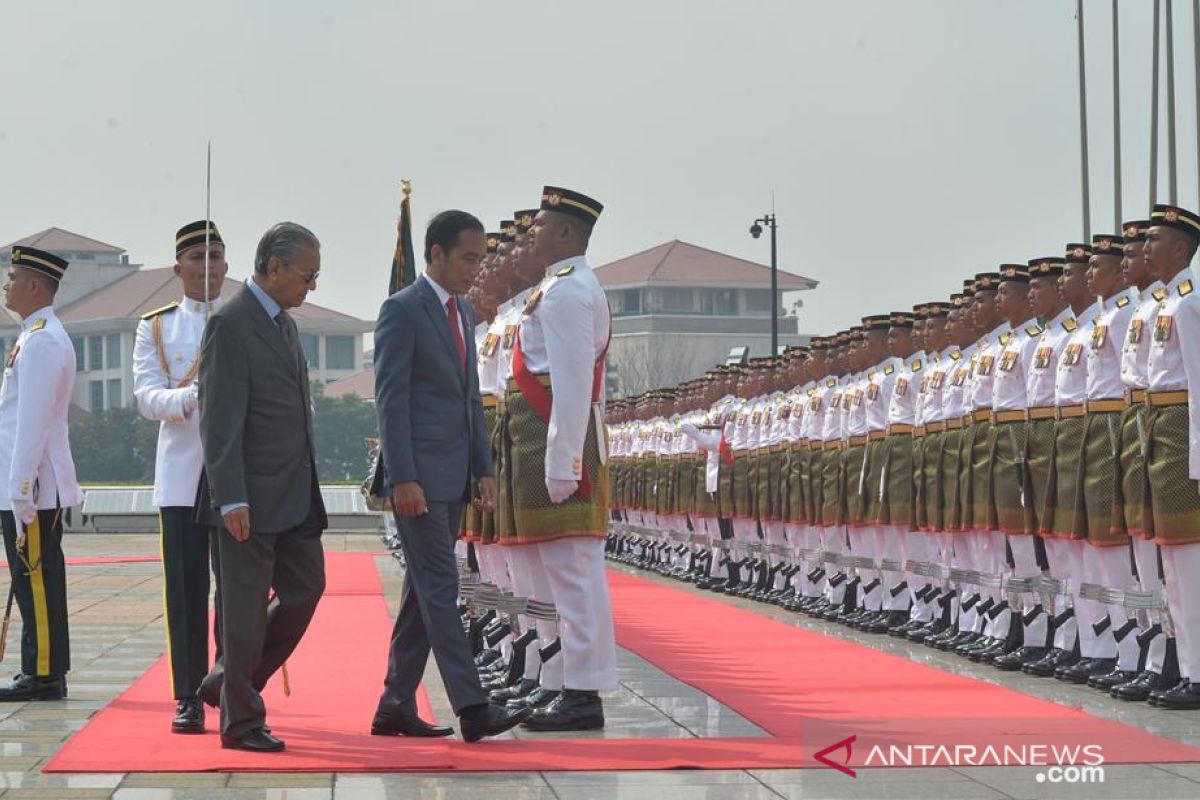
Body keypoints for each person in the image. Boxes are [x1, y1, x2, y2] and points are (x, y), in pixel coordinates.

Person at [372, 209, 531, 742]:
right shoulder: (402, 310)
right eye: (467, 258)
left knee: (423, 596)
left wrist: (481, 468)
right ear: (435, 254)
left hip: (454, 477)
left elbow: (468, 397)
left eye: (480, 259)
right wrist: (402, 477)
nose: (475, 270)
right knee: (441, 589)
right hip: (417, 480)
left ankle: (395, 703)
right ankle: (472, 706)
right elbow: (392, 402)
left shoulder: (461, 311)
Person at [195, 222, 328, 752]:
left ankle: (228, 681)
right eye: (307, 275)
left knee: (306, 589)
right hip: (246, 498)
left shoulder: (285, 324)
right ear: (274, 267)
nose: (311, 287)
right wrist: (231, 496)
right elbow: (219, 418)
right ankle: (242, 720)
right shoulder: (231, 323)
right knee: (244, 613)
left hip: (294, 494)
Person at [507, 186, 616, 731]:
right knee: (559, 574)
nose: (533, 235)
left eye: (542, 226)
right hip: (546, 441)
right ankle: (569, 684)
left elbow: (572, 387)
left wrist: (564, 465)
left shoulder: (569, 292)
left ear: (568, 234)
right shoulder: (554, 288)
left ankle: (584, 692)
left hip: (560, 444)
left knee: (574, 574)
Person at [133, 220, 228, 733]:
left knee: (234, 588)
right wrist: (192, 397)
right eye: (198, 258)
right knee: (185, 589)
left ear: (228, 266)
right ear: (178, 268)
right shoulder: (157, 326)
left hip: (233, 473)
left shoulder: (241, 319)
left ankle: (231, 684)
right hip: (181, 473)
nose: (208, 267)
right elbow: (147, 398)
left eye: (216, 257)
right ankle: (188, 694)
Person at [0, 246, 82, 702]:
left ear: (34, 285)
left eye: (12, 277)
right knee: (31, 580)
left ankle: (45, 674)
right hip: (28, 484)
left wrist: (20, 489)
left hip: (35, 487)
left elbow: (32, 422)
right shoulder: (32, 336)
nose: (5, 285)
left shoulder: (45, 340)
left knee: (37, 577)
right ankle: (40, 667)